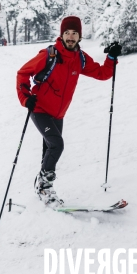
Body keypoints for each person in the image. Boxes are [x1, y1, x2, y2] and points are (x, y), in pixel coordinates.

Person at [16, 16, 122, 206]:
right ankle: (44, 187)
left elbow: (102, 73)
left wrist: (111, 58)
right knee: (57, 145)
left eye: (74, 33)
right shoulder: (49, 55)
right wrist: (25, 98)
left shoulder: (79, 58)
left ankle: (42, 187)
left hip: (58, 114)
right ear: (61, 35)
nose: (70, 37)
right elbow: (23, 73)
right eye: (67, 33)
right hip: (39, 108)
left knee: (50, 149)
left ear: (79, 36)